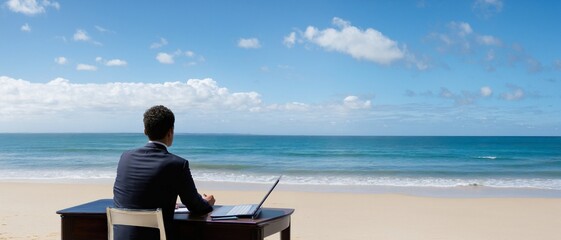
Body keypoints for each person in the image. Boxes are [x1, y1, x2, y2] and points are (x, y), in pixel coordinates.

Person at [113, 105, 215, 240]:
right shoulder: (178, 164)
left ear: (145, 131)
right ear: (170, 132)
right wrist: (207, 202)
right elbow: (197, 207)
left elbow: (140, 192)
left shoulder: (125, 157)